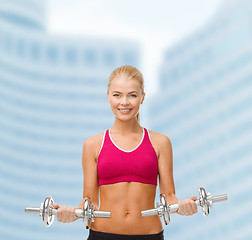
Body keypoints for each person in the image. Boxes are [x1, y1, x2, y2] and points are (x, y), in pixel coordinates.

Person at [53, 65, 198, 240]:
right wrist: (70, 213)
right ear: (108, 96)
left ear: (142, 97)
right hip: (102, 235)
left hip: (149, 235)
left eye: (132, 95)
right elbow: (89, 201)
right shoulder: (92, 145)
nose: (124, 102)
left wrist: (183, 207)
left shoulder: (161, 143)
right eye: (117, 95)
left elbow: (169, 197)